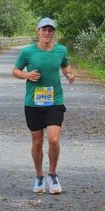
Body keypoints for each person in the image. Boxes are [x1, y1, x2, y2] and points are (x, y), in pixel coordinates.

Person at [12, 17, 75, 194]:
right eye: (44, 29)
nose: (47, 33)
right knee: (37, 141)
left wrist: (69, 75)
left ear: (53, 32)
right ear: (38, 31)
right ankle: (39, 176)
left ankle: (52, 174)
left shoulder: (61, 50)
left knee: (54, 139)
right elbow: (15, 70)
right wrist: (27, 75)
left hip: (55, 101)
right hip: (33, 102)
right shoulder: (28, 52)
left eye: (50, 30)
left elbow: (65, 66)